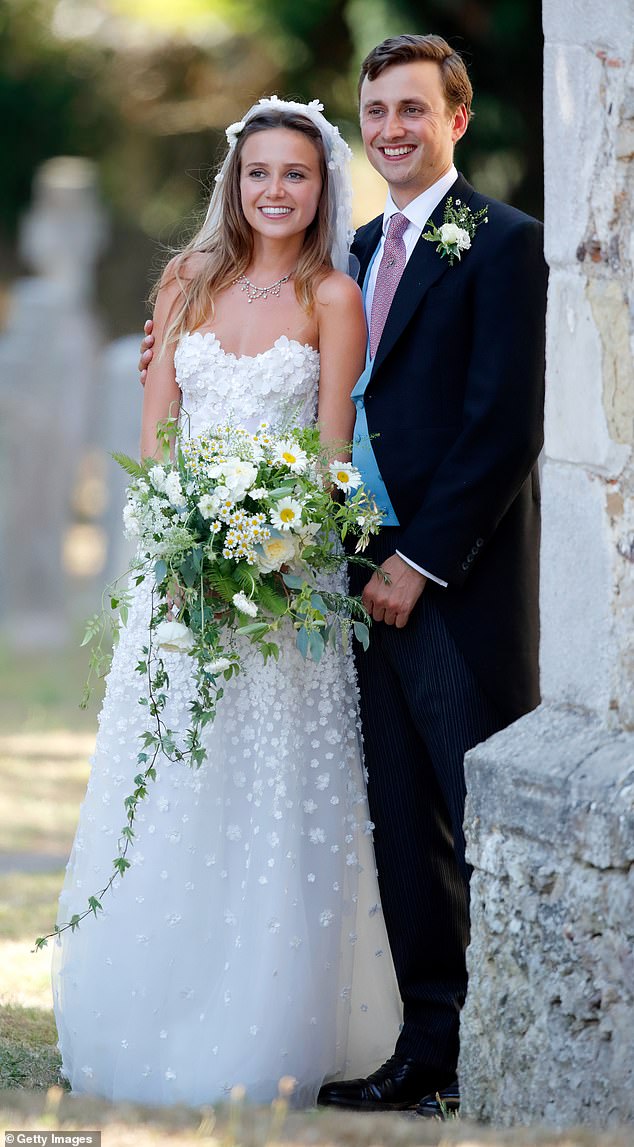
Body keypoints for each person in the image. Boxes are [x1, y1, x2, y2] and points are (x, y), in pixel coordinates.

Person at [139, 34, 548, 1116]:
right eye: (377, 112)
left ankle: (512, 1045)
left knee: (476, 818)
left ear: (455, 117)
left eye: (414, 109)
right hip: (345, 586)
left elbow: (501, 427)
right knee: (397, 828)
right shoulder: (357, 248)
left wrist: (419, 559)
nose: (393, 129)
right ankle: (425, 1049)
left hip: (453, 588)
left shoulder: (498, 241)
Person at [53, 97, 401, 1109]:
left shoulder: (334, 297)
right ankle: (151, 1012)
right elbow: (157, 439)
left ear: (322, 186)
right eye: (259, 173)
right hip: (178, 584)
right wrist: (178, 544)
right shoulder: (184, 283)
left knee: (271, 805)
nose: (276, 191)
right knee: (170, 791)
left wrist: (282, 551)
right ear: (233, 184)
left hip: (289, 597)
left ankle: (259, 1023)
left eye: (296, 174)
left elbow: (333, 459)